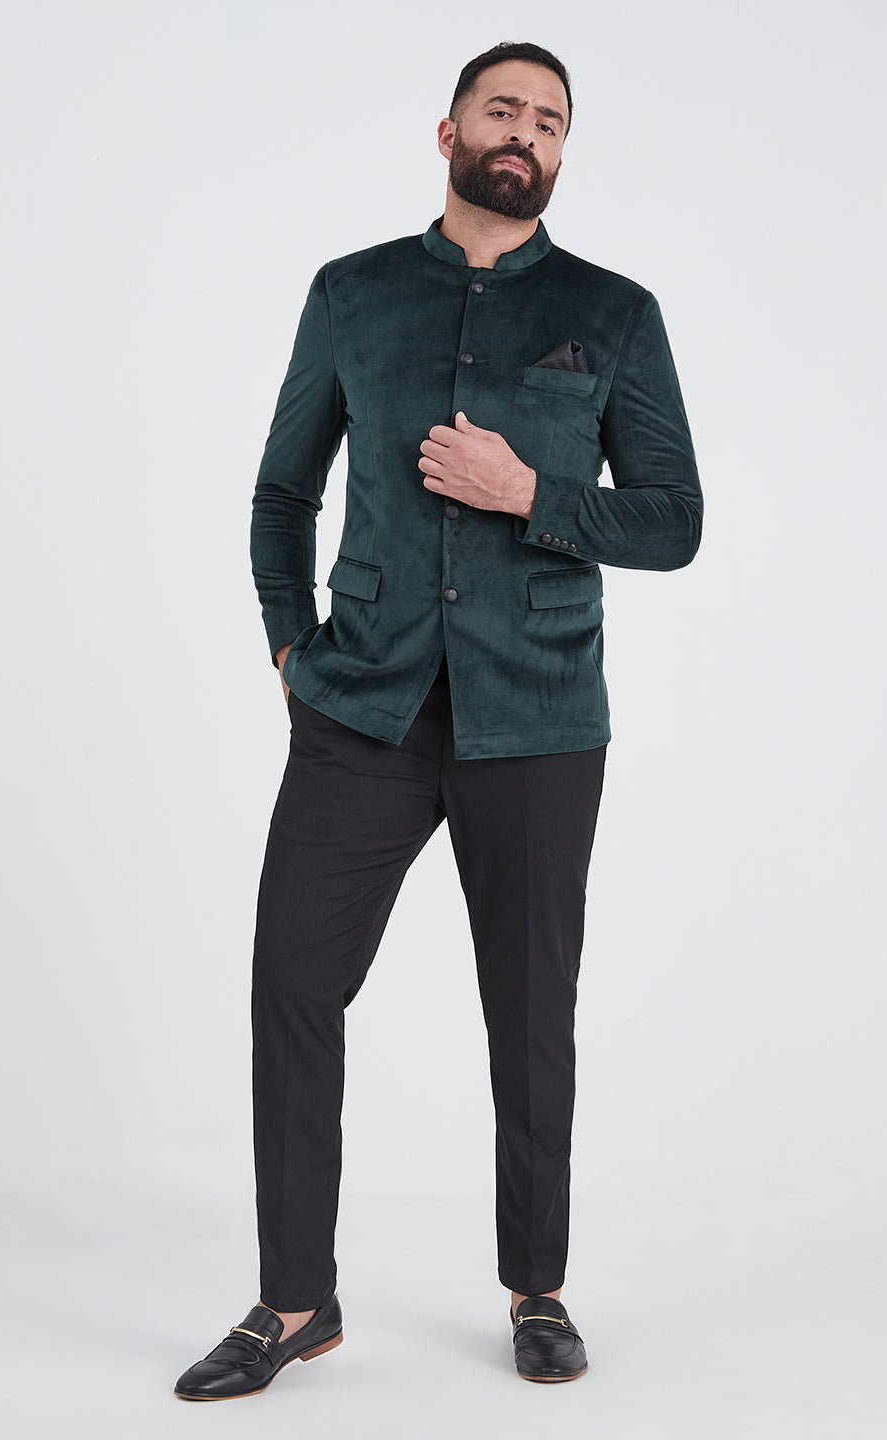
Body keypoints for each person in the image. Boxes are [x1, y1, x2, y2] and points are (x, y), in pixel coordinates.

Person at [174, 39, 702, 1400]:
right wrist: (288, 639)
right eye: (501, 109)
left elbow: (673, 520)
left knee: (529, 1010)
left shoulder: (614, 312)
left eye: (550, 120)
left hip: (540, 714)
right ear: (450, 130)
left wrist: (533, 493)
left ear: (564, 152)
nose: (524, 132)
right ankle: (295, 1301)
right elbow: (282, 490)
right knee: (294, 982)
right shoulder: (351, 294)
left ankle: (538, 1288)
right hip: (363, 705)